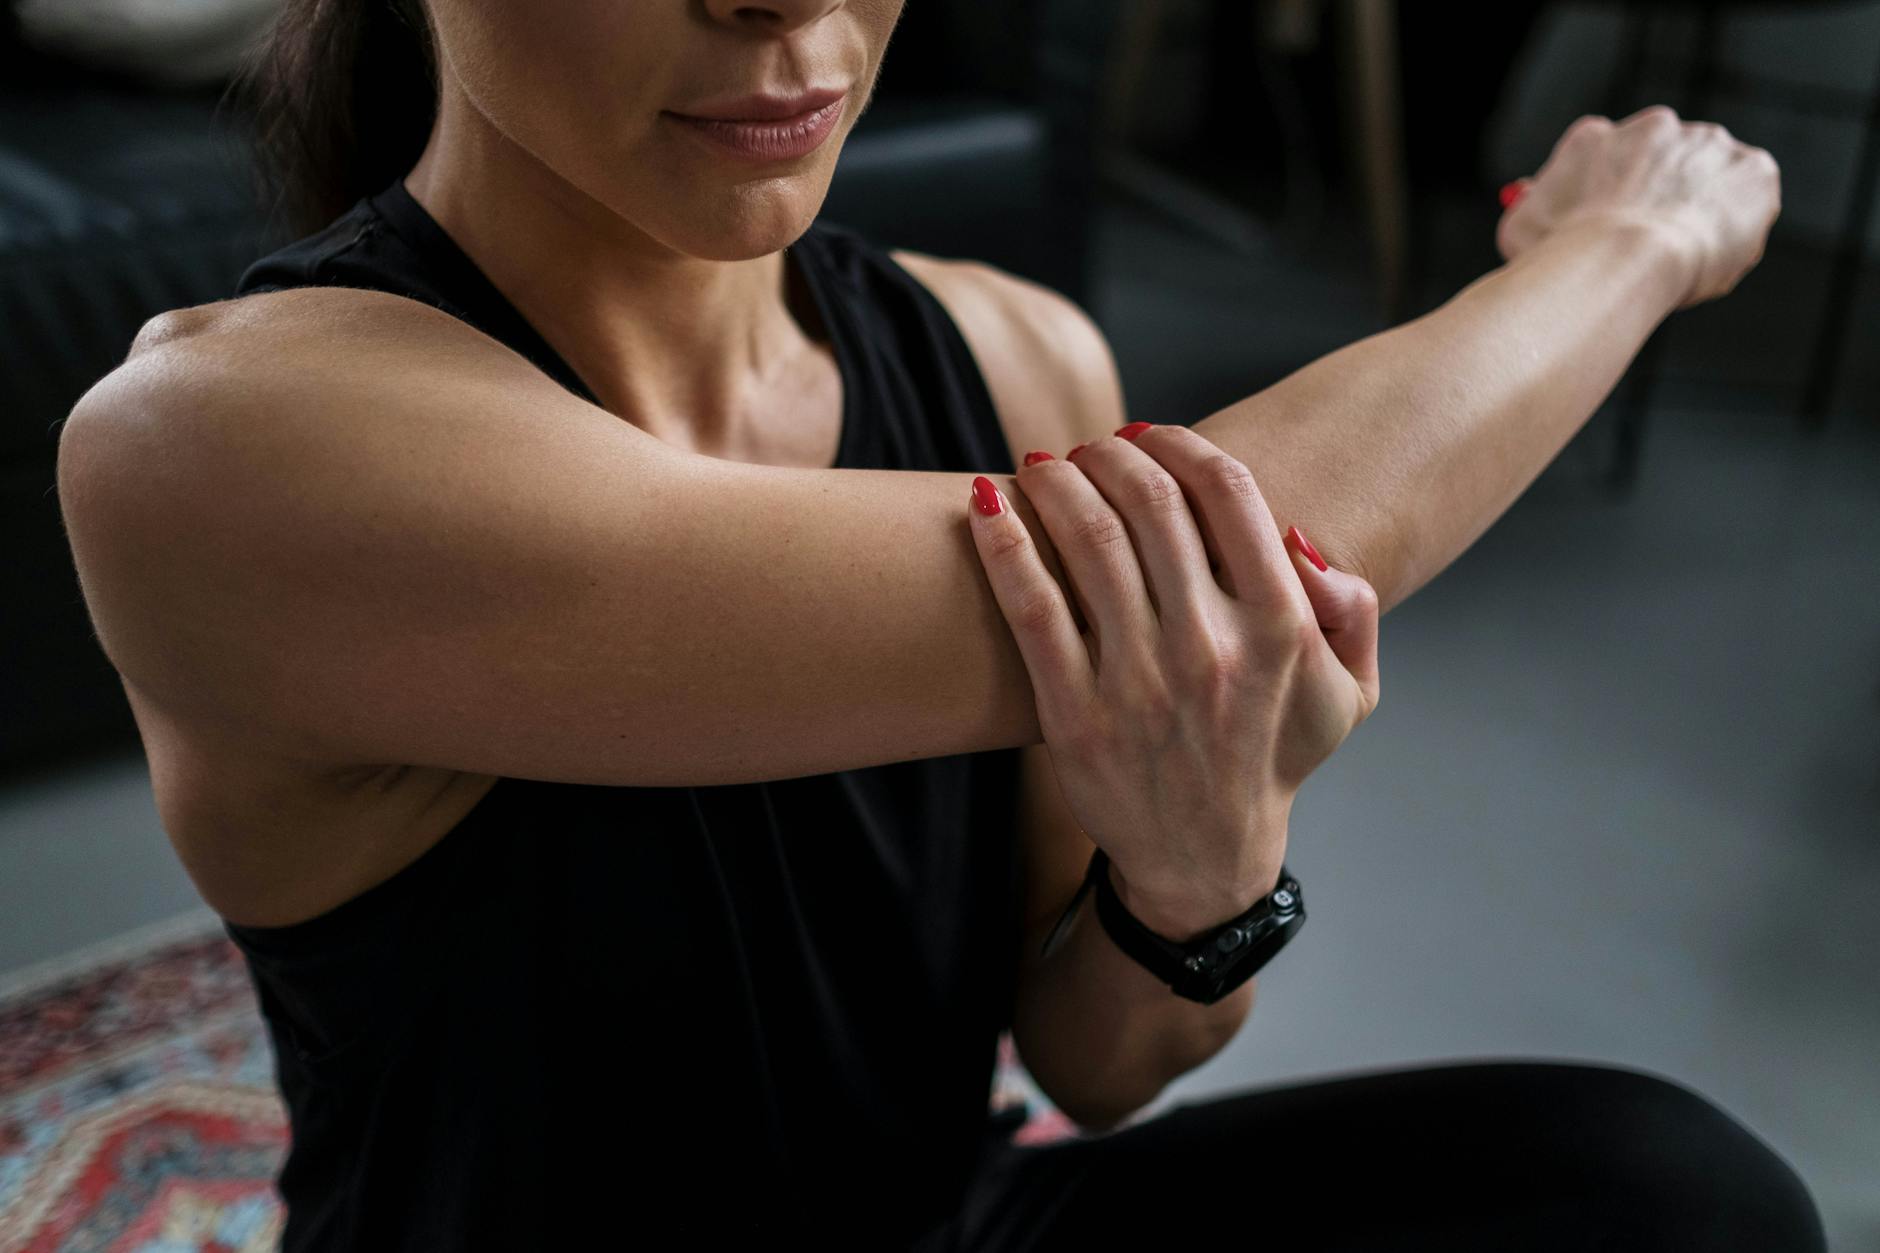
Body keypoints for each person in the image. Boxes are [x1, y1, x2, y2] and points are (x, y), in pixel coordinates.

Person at [51, 0, 1820, 1249]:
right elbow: (1233, 541)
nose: (787, 1)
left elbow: (1090, 1059)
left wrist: (1197, 880)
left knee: (1670, 1192)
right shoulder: (221, 451)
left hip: (952, 1223)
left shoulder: (1018, 360)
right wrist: (1629, 243)